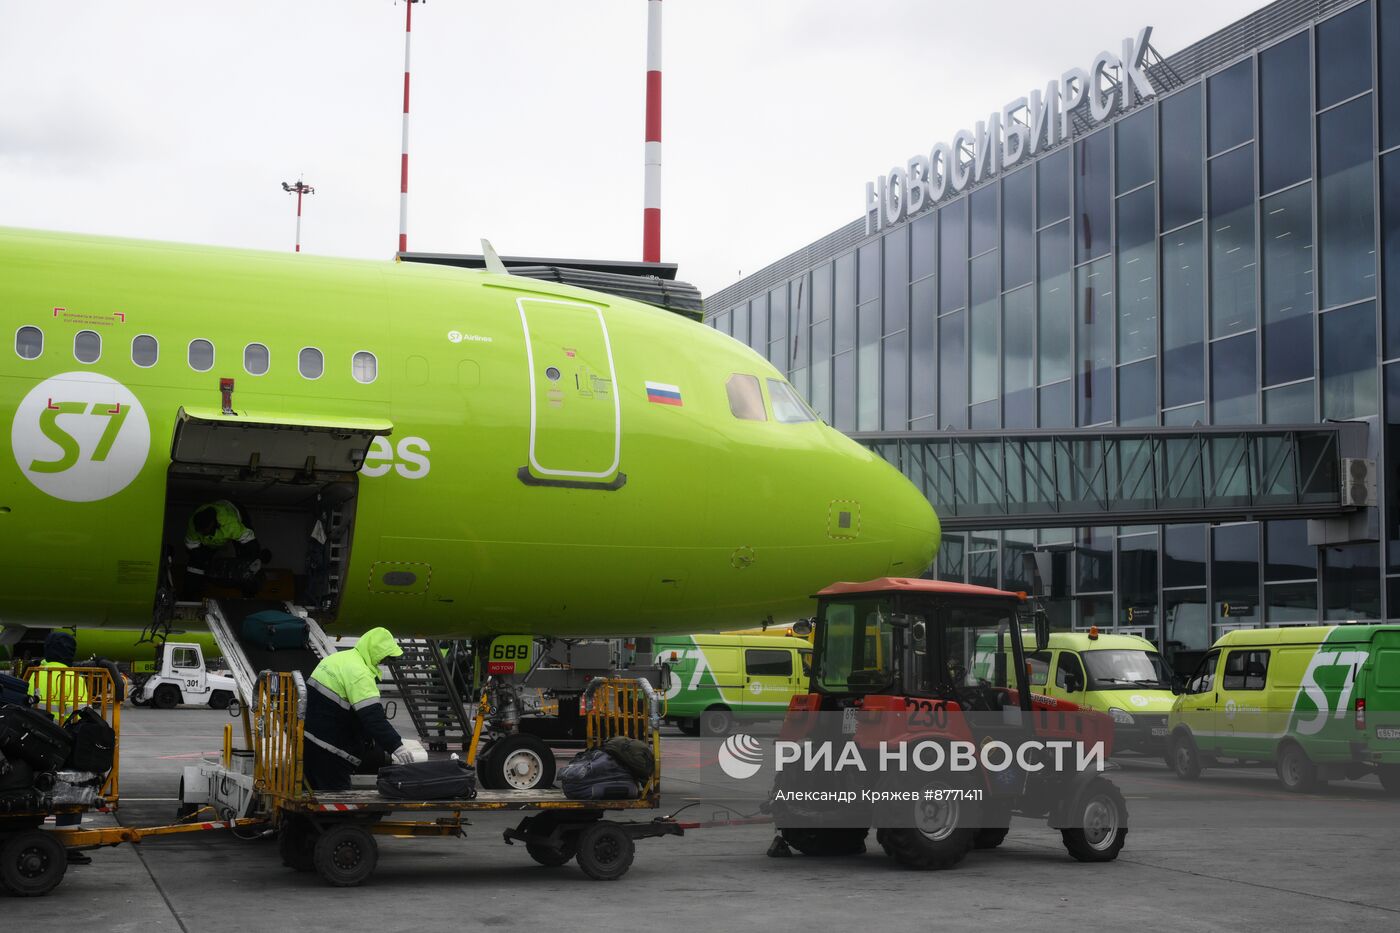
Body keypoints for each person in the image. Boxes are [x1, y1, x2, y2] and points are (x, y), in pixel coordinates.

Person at [303, 627, 425, 791]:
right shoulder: (360, 674)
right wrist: (396, 746)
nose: (384, 661)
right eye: (385, 656)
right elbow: (372, 717)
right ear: (376, 652)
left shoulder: (338, 659)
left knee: (311, 796)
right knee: (335, 801)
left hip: (308, 740)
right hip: (331, 749)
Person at [27, 631, 93, 865]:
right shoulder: (74, 678)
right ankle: (69, 841)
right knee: (73, 787)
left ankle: (31, 834)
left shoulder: (35, 675)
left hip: (34, 741)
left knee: (34, 788)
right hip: (64, 742)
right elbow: (84, 713)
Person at [184, 499, 261, 579]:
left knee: (245, 555)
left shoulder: (230, 524)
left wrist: (255, 559)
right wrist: (204, 561)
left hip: (237, 509)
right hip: (218, 511)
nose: (202, 533)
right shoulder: (193, 526)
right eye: (201, 531)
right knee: (196, 562)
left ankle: (246, 582)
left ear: (212, 524)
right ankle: (194, 588)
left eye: (204, 530)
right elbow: (192, 547)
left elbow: (250, 540)